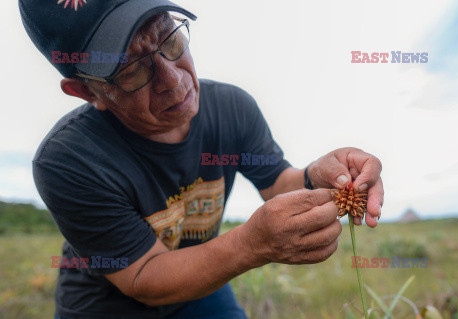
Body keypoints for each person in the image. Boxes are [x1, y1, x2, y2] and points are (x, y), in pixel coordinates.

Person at [20, 0, 383, 318]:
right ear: (85, 91)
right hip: (105, 306)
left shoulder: (233, 108)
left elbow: (278, 184)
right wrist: (252, 244)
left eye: (171, 40)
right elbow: (144, 276)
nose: (174, 80)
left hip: (206, 278)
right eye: (131, 70)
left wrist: (320, 176)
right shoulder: (68, 160)